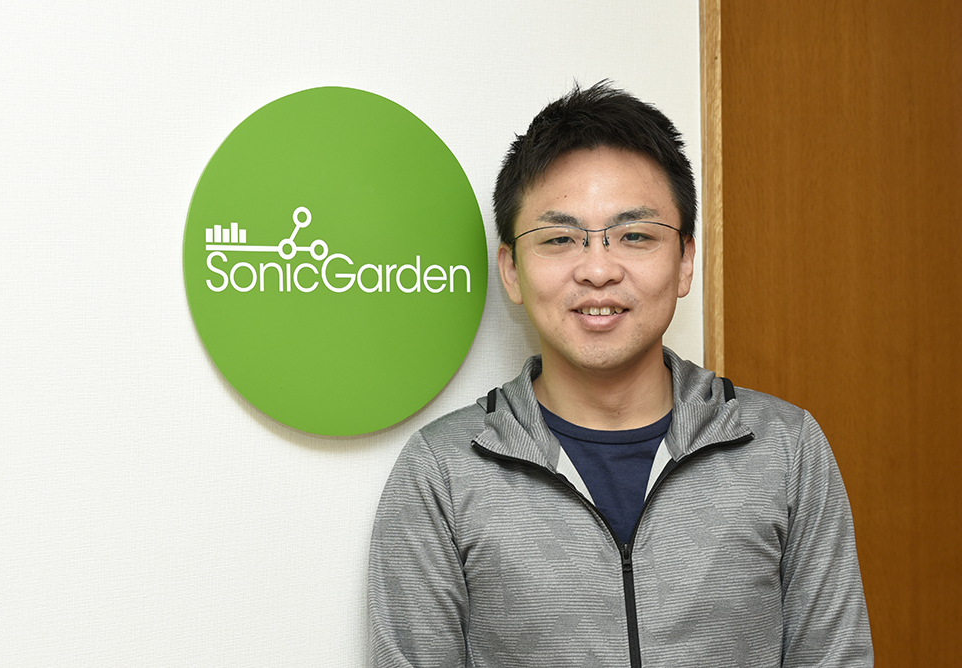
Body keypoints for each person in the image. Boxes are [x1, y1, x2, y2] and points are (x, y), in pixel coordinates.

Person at [367, 82, 873, 668]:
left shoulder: (785, 450)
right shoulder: (442, 471)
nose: (599, 269)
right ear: (510, 270)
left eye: (635, 236)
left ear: (685, 261)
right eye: (560, 239)